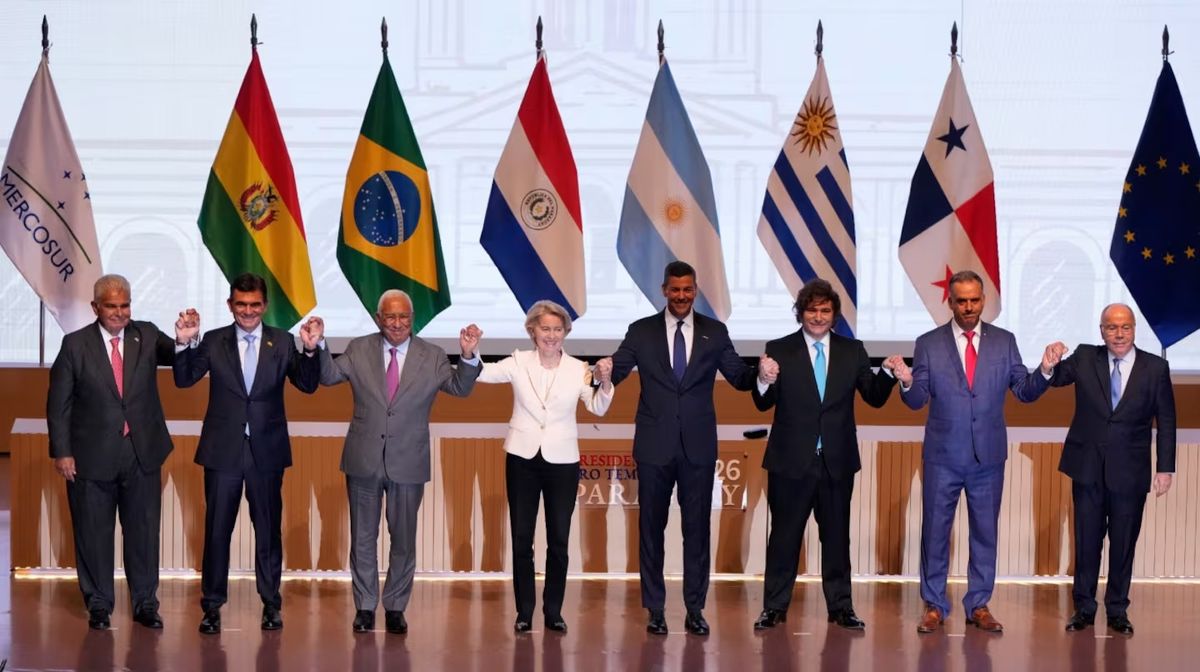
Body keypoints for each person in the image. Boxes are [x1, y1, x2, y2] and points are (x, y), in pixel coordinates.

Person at [600, 260, 768, 636]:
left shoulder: (714, 332)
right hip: (654, 447)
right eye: (674, 290)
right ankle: (655, 609)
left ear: (695, 291)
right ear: (664, 290)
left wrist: (761, 374)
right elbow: (618, 369)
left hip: (698, 447)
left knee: (697, 530)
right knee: (650, 530)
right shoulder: (641, 331)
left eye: (687, 290)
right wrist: (604, 373)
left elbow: (739, 377)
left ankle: (695, 609)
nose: (681, 296)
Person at [894, 269, 1059, 634]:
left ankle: (979, 604)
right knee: (935, 533)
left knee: (985, 533)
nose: (968, 307)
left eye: (974, 300)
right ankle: (934, 604)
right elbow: (917, 399)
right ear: (950, 302)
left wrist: (1045, 369)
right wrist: (906, 381)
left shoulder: (1004, 341)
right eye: (961, 301)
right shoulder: (928, 343)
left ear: (983, 300)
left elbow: (1024, 390)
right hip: (943, 456)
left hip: (988, 457)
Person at [311, 289, 482, 635]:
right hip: (363, 460)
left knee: (403, 539)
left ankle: (395, 607)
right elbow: (328, 376)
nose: (397, 323)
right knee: (362, 538)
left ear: (412, 318)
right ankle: (364, 606)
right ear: (379, 319)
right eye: (390, 316)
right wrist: (318, 345)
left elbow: (460, 389)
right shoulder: (359, 348)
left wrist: (467, 356)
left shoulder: (432, 355)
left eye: (404, 316)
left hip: (409, 461)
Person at [173, 272, 322, 634]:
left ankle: (271, 604)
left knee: (268, 531)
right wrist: (183, 342)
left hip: (266, 453)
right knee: (217, 531)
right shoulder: (213, 340)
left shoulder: (283, 341)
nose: (248, 311)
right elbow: (184, 379)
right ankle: (212, 607)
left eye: (255, 304)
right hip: (222, 451)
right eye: (241, 304)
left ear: (264, 305)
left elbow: (307, 384)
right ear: (230, 305)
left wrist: (310, 350)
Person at [750, 279, 900, 632]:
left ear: (834, 315)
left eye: (825, 310)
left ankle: (841, 607)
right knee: (784, 538)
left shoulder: (852, 350)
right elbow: (762, 403)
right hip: (790, 463)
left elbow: (874, 397)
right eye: (812, 310)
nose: (818, 317)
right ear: (800, 312)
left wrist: (888, 373)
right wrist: (763, 379)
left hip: (836, 462)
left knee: (836, 539)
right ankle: (774, 608)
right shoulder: (779, 349)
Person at [476, 300, 615, 634]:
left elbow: (597, 408)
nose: (551, 335)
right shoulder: (518, 362)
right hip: (521, 458)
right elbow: (483, 373)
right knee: (521, 539)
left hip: (562, 461)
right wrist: (470, 351)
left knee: (559, 540)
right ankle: (524, 611)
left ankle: (553, 611)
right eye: (545, 329)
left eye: (557, 329)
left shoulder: (579, 369)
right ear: (532, 331)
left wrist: (606, 382)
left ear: (565, 332)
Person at [47, 274, 176, 630]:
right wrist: (62, 452)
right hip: (90, 457)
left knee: (144, 533)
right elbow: (58, 405)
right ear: (95, 308)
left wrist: (185, 338)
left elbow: (178, 355)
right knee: (93, 534)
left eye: (125, 305)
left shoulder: (146, 334)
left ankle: (145, 604)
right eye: (111, 306)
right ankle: (99, 604)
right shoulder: (75, 345)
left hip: (141, 454)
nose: (120, 313)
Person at [1046, 304, 1175, 636]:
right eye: (1112, 327)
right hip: (1087, 468)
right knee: (1087, 542)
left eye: (1125, 327)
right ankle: (1084, 608)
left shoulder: (1156, 367)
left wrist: (1165, 468)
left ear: (1134, 329)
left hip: (1130, 472)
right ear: (1101, 331)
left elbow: (1167, 420)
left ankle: (1117, 609)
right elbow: (1056, 378)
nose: (1119, 334)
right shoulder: (1085, 357)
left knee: (1123, 544)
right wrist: (1048, 364)